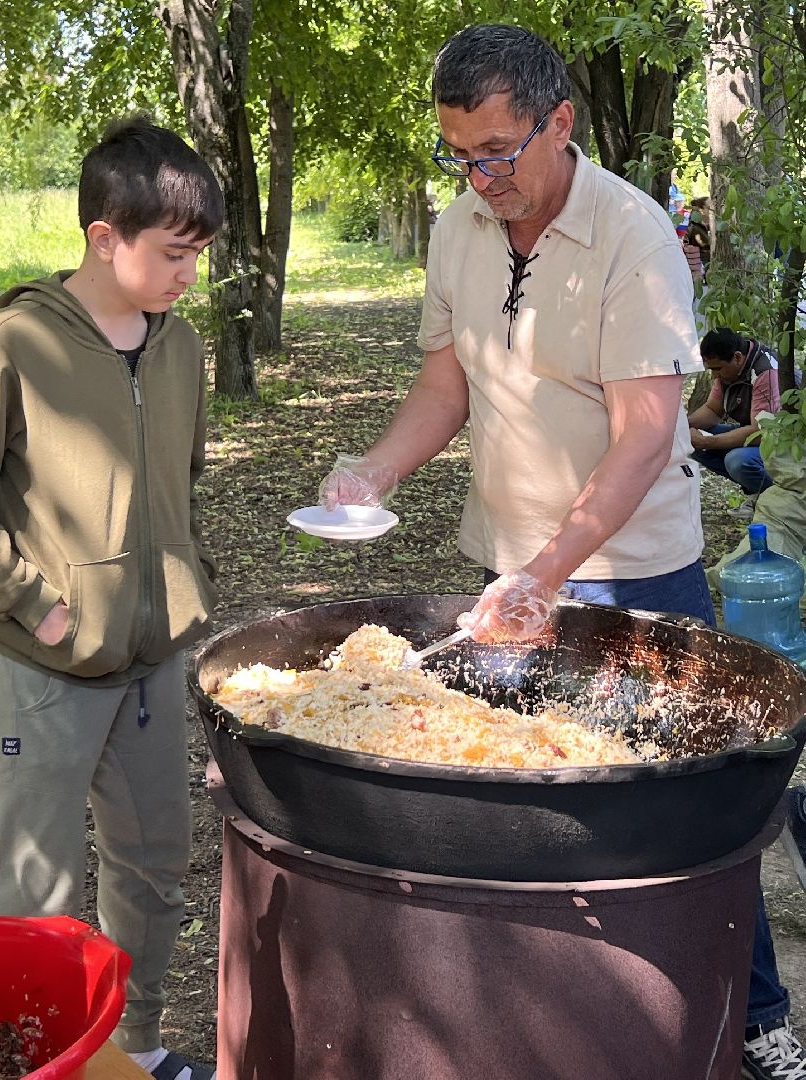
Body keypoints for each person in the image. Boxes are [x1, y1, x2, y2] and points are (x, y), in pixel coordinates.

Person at [316, 24, 803, 1079]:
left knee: (680, 808)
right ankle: (550, 1017)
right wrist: (373, 474)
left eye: (497, 150)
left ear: (560, 123)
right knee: (522, 805)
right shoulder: (459, 230)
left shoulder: (636, 237)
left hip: (635, 573)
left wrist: (553, 570)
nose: (480, 176)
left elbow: (643, 436)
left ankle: (756, 1015)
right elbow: (444, 390)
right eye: (459, 153)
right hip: (507, 569)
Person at [0, 116, 222, 1080]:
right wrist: (38, 604)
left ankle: (131, 1048)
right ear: (103, 236)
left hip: (154, 664)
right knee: (33, 891)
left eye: (199, 255)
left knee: (154, 870)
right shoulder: (14, 343)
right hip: (40, 670)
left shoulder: (182, 352)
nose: (189, 275)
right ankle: (39, 1059)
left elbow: (178, 485)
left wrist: (171, 596)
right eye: (174, 253)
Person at [688, 327, 782, 519]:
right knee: (689, 441)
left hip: (782, 443)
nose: (714, 376)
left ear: (737, 357)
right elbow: (713, 410)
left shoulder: (766, 372)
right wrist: (680, 427)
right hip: (756, 435)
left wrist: (707, 442)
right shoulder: (730, 369)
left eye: (717, 369)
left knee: (738, 461)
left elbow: (760, 433)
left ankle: (778, 497)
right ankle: (759, 492)